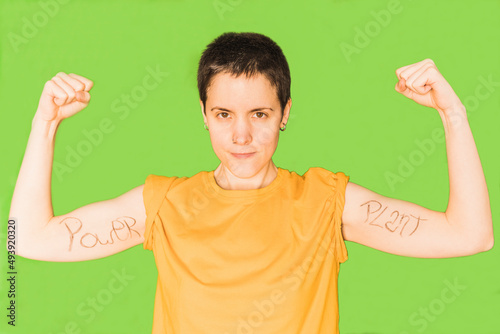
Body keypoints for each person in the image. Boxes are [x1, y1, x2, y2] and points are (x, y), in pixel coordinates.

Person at [8, 32, 494, 334]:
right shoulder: (163, 204)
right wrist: (44, 124)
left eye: (259, 114)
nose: (241, 135)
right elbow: (24, 239)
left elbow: (469, 235)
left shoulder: (326, 202)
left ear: (285, 113)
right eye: (223, 114)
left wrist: (454, 114)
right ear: (203, 114)